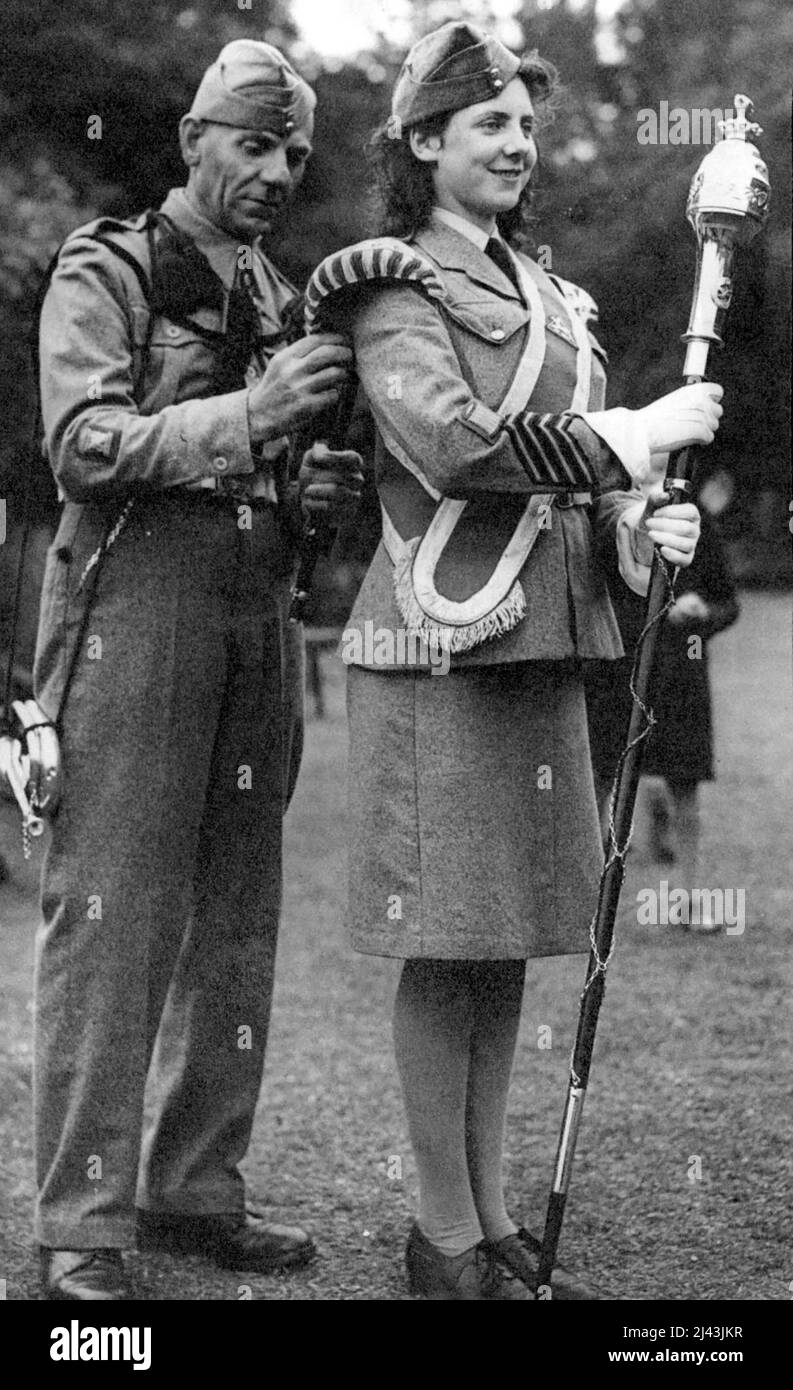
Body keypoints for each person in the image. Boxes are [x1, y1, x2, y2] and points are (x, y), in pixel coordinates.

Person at [333, 22, 721, 1299]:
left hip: (543, 641)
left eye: (527, 123)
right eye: (490, 122)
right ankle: (437, 1234)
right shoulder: (394, 285)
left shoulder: (556, 297)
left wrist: (638, 523)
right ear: (425, 141)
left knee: (496, 944)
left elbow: (581, 492)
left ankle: (490, 1214)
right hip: (433, 646)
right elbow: (455, 447)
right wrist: (623, 436)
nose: (518, 142)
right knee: (445, 942)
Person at [32, 39, 362, 1300]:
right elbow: (80, 443)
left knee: (236, 921)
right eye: (253, 142)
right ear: (190, 139)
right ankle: (84, 1223)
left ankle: (193, 1192)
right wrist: (256, 418)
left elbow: (276, 471)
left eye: (293, 150)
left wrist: (307, 485)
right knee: (113, 918)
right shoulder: (105, 266)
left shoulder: (284, 298)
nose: (277, 168)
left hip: (253, 613)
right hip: (134, 604)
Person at [587, 480, 740, 929]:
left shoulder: (695, 518)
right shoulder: (606, 514)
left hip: (681, 676)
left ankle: (689, 902)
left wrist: (703, 613)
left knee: (684, 789)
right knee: (598, 785)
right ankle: (590, 905)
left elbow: (728, 602)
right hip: (616, 668)